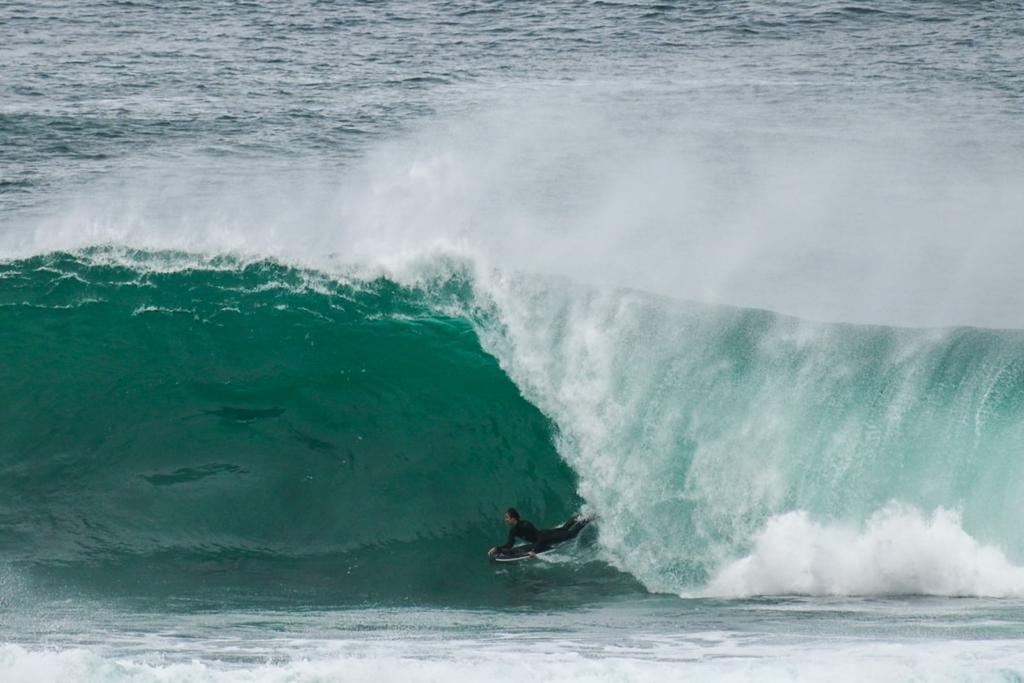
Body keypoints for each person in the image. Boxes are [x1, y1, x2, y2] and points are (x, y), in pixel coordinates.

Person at [487, 507, 590, 558]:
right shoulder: (513, 530)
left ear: (513, 518)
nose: (505, 519)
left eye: (507, 517)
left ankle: (588, 517)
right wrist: (497, 549)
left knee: (572, 533)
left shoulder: (526, 525)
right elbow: (509, 545)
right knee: (564, 528)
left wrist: (534, 550)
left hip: (547, 537)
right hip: (544, 536)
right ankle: (581, 515)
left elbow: (540, 538)